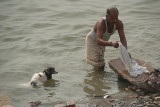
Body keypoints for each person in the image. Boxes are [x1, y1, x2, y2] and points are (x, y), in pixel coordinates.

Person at [85, 7, 127, 71]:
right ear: (107, 16)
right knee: (100, 63)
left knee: (100, 60)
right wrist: (111, 43)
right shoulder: (101, 23)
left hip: (103, 41)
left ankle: (96, 75)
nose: (115, 21)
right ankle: (97, 78)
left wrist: (125, 52)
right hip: (93, 40)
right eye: (112, 18)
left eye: (116, 18)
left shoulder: (119, 23)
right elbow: (98, 40)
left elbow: (123, 38)